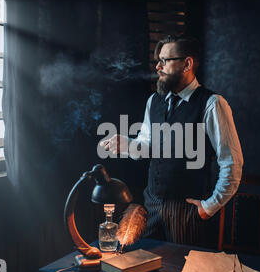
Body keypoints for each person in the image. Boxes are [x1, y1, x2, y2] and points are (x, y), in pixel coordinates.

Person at [101, 35, 243, 247]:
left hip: (187, 211)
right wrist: (128, 144)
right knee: (142, 268)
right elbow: (149, 146)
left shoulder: (213, 104)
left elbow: (232, 162)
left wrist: (209, 206)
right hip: (152, 205)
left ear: (187, 63)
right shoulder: (154, 101)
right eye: (158, 61)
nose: (158, 66)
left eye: (165, 60)